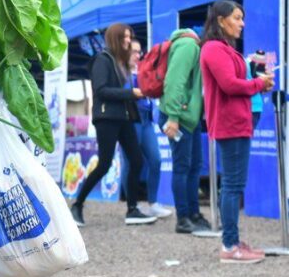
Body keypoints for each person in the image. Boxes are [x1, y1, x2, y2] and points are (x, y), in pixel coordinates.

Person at [200, 0, 274, 264]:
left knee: (233, 185)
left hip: (236, 121)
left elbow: (234, 83)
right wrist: (257, 83)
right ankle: (230, 246)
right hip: (230, 123)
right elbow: (230, 85)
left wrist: (256, 83)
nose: (242, 24)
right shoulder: (213, 48)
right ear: (221, 20)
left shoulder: (222, 48)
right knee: (232, 185)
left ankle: (232, 241)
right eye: (237, 18)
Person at [70, 23, 152, 228]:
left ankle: (132, 209)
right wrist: (131, 94)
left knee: (136, 160)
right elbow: (101, 90)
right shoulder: (102, 60)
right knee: (104, 164)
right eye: (125, 37)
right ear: (115, 38)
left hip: (123, 117)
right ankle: (77, 204)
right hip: (106, 118)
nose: (128, 40)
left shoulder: (120, 62)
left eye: (130, 36)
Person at [160, 26, 211, 234]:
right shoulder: (188, 45)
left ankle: (193, 213)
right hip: (179, 117)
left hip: (189, 117)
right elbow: (175, 81)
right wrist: (173, 116)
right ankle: (183, 217)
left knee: (194, 166)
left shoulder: (190, 46)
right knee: (183, 167)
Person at [122, 39, 169, 220]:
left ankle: (153, 203)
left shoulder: (143, 70)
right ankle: (131, 205)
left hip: (147, 120)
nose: (137, 55)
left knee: (156, 160)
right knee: (130, 162)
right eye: (134, 51)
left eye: (139, 51)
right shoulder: (121, 71)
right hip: (130, 120)